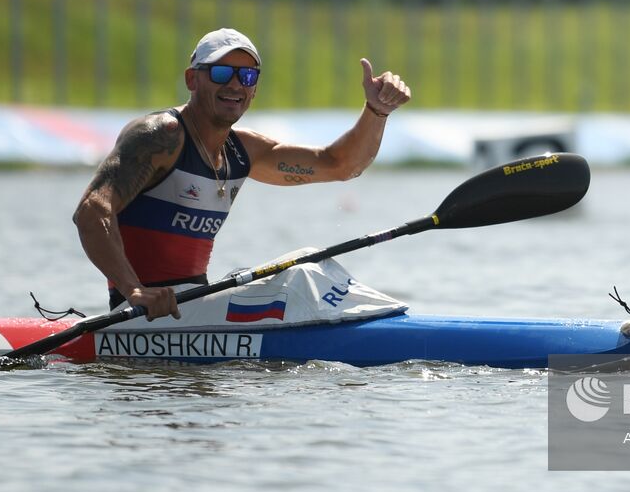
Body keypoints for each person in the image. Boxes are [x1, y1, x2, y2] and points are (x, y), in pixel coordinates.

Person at [74, 27, 411, 320]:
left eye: (247, 76)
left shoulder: (242, 152)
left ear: (255, 89)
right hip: (141, 314)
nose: (235, 84)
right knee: (300, 279)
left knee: (305, 261)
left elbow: (340, 165)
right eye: (222, 73)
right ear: (192, 79)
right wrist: (134, 292)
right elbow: (92, 210)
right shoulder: (162, 135)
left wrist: (376, 111)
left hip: (193, 308)